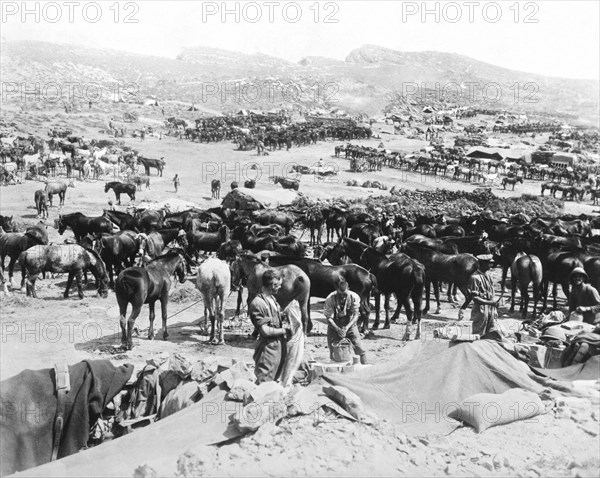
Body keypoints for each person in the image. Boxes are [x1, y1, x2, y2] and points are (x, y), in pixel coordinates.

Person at [249, 270, 293, 383]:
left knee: (274, 382)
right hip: (267, 350)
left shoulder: (272, 299)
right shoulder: (258, 303)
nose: (280, 288)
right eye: (279, 285)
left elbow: (276, 318)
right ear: (273, 285)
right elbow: (265, 331)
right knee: (265, 382)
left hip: (278, 348)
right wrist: (284, 330)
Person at [323, 280, 368, 364]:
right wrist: (337, 329)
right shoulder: (330, 298)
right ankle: (334, 368)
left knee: (359, 347)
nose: (342, 297)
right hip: (334, 324)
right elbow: (329, 317)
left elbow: (356, 315)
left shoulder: (354, 297)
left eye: (344, 294)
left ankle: (365, 366)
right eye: (340, 295)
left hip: (350, 324)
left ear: (348, 289)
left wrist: (347, 327)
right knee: (333, 349)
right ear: (337, 290)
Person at [460, 254, 503, 340]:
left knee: (491, 333)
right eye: (488, 263)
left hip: (491, 309)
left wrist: (495, 304)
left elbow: (491, 293)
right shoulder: (475, 278)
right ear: (482, 264)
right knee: (478, 335)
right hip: (481, 311)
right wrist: (491, 303)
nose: (490, 265)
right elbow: (475, 299)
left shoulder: (488, 276)